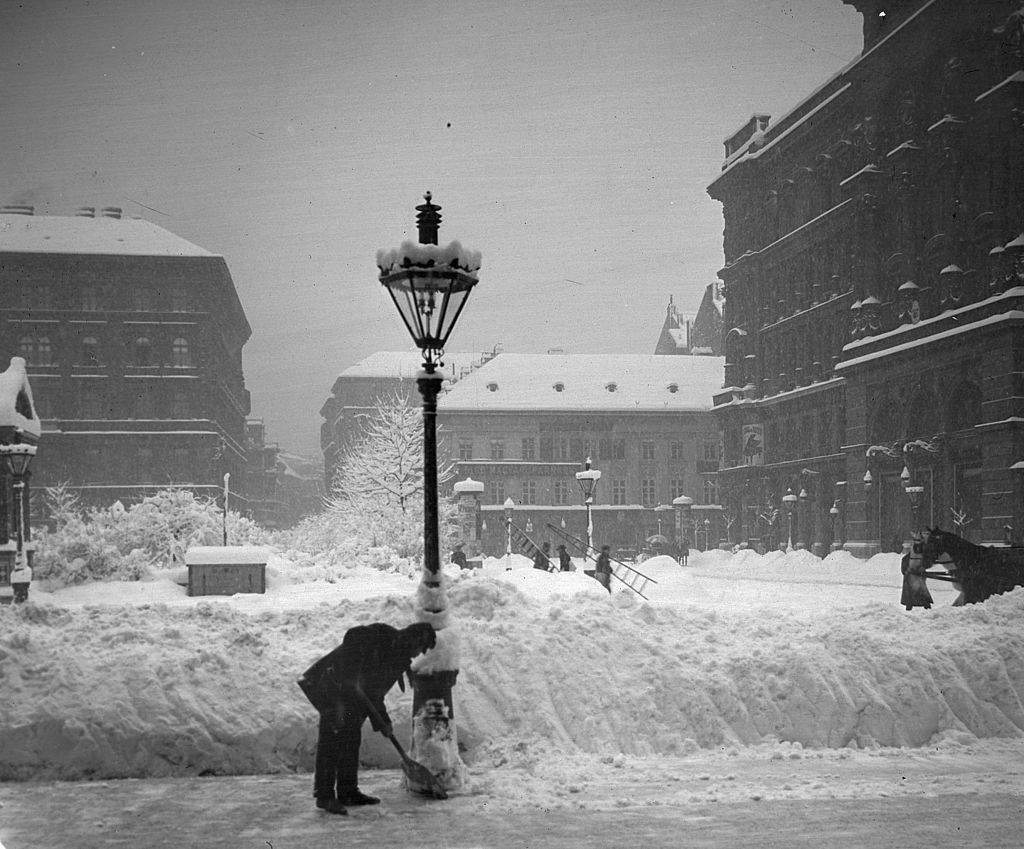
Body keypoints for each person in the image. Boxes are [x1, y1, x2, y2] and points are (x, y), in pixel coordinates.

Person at [297, 621, 436, 815]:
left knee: (351, 739)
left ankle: (348, 791)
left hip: (352, 697)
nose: (419, 653)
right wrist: (352, 672)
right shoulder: (386, 636)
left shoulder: (399, 658)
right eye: (422, 647)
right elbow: (353, 634)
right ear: (414, 638)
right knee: (332, 738)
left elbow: (374, 693)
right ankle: (325, 796)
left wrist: (384, 722)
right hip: (332, 686)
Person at [900, 535, 933, 611]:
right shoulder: (908, 556)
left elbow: (927, 562)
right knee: (911, 598)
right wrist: (907, 570)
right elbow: (904, 567)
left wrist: (923, 568)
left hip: (919, 578)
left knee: (922, 597)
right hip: (911, 579)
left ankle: (927, 609)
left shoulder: (923, 553)